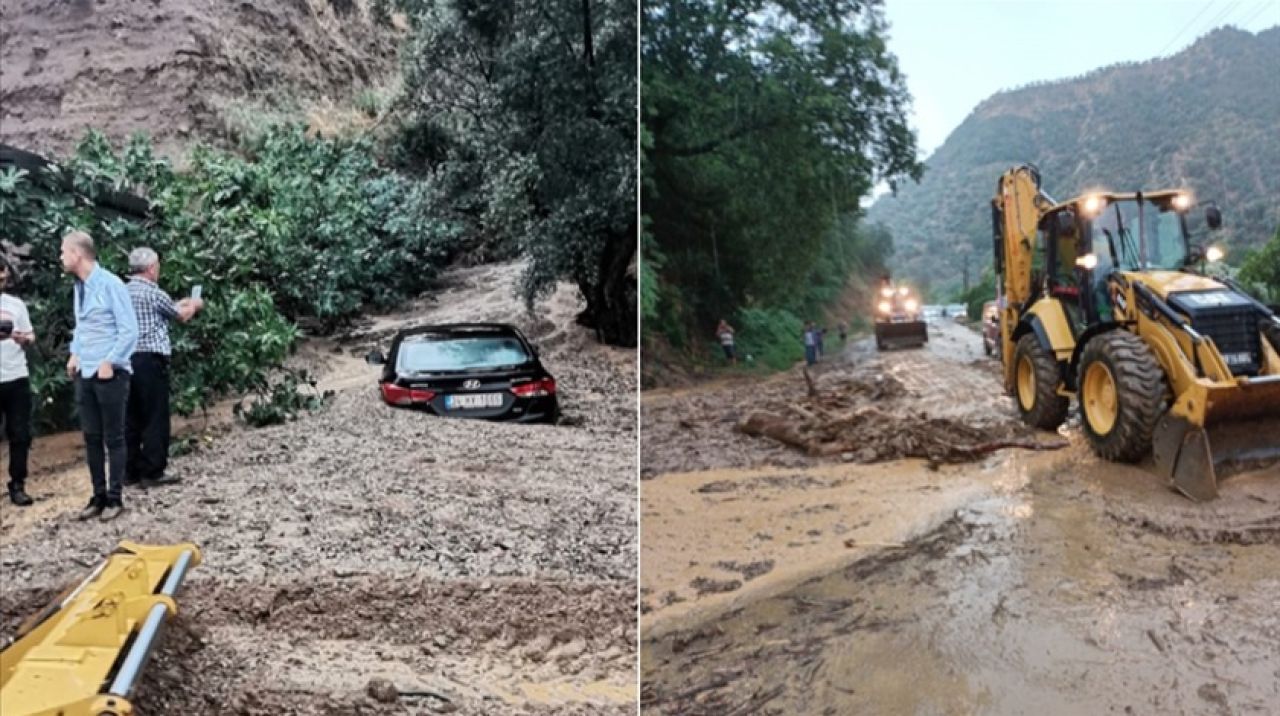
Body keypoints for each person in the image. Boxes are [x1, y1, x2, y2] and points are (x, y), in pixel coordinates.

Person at [62, 231, 138, 521]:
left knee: (114, 436)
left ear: (77, 254)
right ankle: (98, 495)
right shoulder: (79, 288)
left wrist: (112, 361)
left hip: (110, 374)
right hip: (86, 371)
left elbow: (129, 330)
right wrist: (75, 352)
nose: (61, 257)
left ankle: (115, 498)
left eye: (63, 251)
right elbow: (81, 328)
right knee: (91, 437)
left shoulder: (111, 284)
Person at [125, 247, 203, 490]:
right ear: (150, 268)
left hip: (126, 359)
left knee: (131, 417)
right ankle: (153, 470)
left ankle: (130, 470)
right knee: (155, 416)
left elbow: (168, 308)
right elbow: (181, 315)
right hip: (150, 360)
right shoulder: (153, 292)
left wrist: (178, 304)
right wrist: (196, 304)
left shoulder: (122, 291)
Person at [1, 258, 36, 506]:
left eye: (2, 274)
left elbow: (30, 334)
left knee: (20, 434)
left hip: (16, 376)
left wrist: (23, 338)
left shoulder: (16, 305)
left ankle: (18, 484)